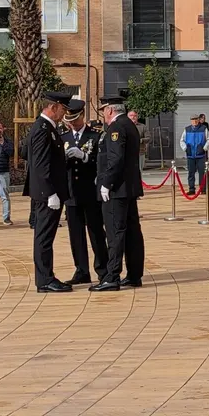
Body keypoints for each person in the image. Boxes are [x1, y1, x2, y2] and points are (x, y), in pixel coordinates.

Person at [92, 97, 145, 291]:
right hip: (128, 188)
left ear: (111, 110)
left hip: (117, 189)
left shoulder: (116, 128)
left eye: (104, 109)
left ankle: (112, 276)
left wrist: (106, 183)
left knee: (115, 232)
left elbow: (115, 159)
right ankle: (133, 274)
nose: (103, 114)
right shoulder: (129, 125)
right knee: (132, 232)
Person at [28, 92, 73, 293]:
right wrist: (49, 192)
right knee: (44, 237)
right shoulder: (42, 129)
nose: (65, 113)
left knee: (46, 237)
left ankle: (47, 276)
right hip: (47, 194)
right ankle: (45, 280)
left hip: (50, 191)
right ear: (53, 107)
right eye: (63, 109)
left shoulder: (48, 128)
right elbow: (39, 165)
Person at [61, 101, 108, 286]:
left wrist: (85, 157)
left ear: (82, 116)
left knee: (96, 232)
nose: (72, 124)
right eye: (69, 121)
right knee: (75, 235)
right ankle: (81, 270)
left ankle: (103, 270)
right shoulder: (63, 137)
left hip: (90, 192)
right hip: (72, 192)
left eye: (75, 119)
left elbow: (102, 161)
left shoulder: (96, 136)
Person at [180, 114, 209, 196]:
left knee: (202, 173)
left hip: (201, 155)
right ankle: (191, 189)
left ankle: (203, 189)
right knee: (191, 173)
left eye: (196, 119)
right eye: (193, 119)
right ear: (191, 121)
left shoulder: (204, 129)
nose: (195, 121)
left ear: (198, 119)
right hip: (190, 155)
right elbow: (182, 140)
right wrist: (185, 148)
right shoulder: (187, 129)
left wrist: (204, 148)